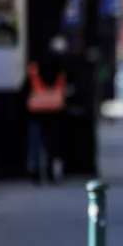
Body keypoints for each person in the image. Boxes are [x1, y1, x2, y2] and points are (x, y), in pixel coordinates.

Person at [20, 36, 70, 184]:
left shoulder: (34, 69)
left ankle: (35, 172)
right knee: (52, 144)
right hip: (55, 111)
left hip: (36, 113)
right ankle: (49, 172)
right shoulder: (61, 69)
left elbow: (25, 90)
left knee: (35, 143)